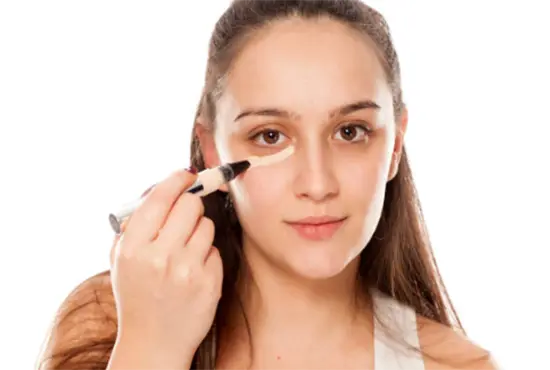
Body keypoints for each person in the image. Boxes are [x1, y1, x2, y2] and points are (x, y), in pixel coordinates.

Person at [37, 1, 499, 369]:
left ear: (395, 146)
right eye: (270, 136)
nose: (317, 185)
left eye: (350, 131)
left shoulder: (459, 366)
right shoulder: (111, 322)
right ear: (213, 152)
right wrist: (151, 351)